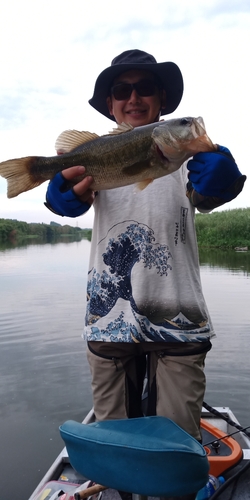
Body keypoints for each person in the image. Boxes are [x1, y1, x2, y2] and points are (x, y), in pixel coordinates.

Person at [45, 50, 246, 500]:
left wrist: (224, 180)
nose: (133, 97)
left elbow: (211, 194)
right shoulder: (97, 154)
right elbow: (68, 203)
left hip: (180, 317)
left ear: (162, 101)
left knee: (177, 448)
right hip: (108, 320)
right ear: (111, 104)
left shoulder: (182, 157)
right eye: (122, 90)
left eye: (145, 88)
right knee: (114, 445)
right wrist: (58, 198)